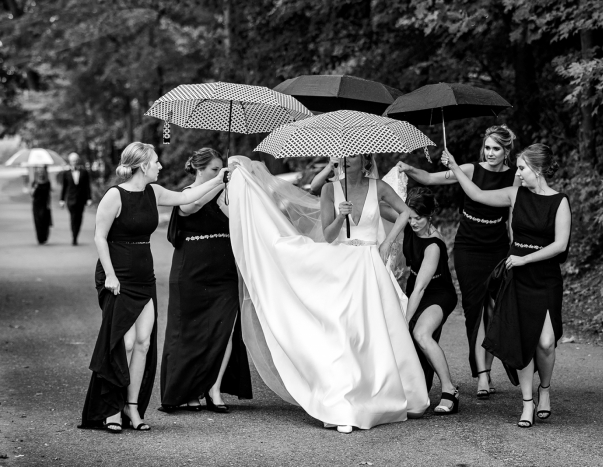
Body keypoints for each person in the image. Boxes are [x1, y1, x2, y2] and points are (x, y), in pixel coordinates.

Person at [226, 154, 429, 435]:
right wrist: (341, 215)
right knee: (345, 333)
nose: (345, 162)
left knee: (379, 331)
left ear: (364, 161)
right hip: (342, 266)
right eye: (342, 159)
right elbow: (330, 235)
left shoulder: (378, 187)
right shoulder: (329, 190)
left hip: (370, 264)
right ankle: (345, 404)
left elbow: (406, 212)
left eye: (352, 158)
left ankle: (399, 393)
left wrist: (387, 242)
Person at [78, 142, 228, 433]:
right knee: (126, 342)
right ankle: (110, 408)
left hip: (144, 276)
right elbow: (100, 237)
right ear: (143, 165)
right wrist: (109, 275)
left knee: (144, 343)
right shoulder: (114, 195)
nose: (161, 166)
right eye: (156, 162)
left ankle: (131, 408)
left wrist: (220, 179)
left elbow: (190, 196)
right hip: (117, 277)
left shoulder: (154, 192)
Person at [441, 143, 571, 428]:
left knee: (547, 342)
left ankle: (544, 389)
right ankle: (527, 403)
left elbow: (560, 245)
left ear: (536, 169)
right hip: (517, 278)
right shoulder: (515, 195)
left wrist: (527, 260)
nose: (518, 173)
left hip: (544, 277)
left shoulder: (560, 202)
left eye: (522, 168)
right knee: (522, 340)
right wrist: (453, 166)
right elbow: (476, 194)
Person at [398, 125, 519, 399]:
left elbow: (512, 214)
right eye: (487, 147)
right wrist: (408, 168)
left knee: (494, 310)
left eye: (496, 149)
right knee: (475, 309)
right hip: (468, 247)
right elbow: (429, 179)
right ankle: (483, 376)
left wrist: (514, 247)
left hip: (497, 247)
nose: (490, 153)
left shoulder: (515, 178)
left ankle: (493, 365)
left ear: (506, 151)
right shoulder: (471, 169)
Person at [160, 148, 252, 413]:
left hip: (223, 270)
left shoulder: (224, 193)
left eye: (220, 169)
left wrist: (229, 192)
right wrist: (218, 182)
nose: (218, 173)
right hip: (191, 271)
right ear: (200, 169)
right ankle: (187, 390)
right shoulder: (187, 192)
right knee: (189, 331)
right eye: (213, 169)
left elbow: (237, 220)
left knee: (224, 328)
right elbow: (191, 206)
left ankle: (214, 388)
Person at [402, 188, 459, 414]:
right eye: (410, 217)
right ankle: (416, 391)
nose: (413, 223)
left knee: (420, 334)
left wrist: (405, 319)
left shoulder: (433, 245)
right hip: (414, 290)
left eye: (419, 218)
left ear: (429, 216)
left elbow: (421, 288)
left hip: (437, 293)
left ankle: (449, 390)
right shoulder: (406, 223)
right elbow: (381, 207)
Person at [60, 152, 92, 245]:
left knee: (79, 218)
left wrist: (89, 198)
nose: (74, 162)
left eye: (76, 160)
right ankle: (74, 236)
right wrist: (62, 200)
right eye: (72, 161)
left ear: (78, 161)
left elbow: (87, 186)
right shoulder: (66, 173)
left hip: (81, 200)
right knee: (73, 217)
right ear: (70, 162)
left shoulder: (84, 172)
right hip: (70, 200)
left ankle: (76, 234)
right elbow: (64, 187)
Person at [30, 166, 52, 245]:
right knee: (38, 222)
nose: (41, 174)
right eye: (39, 172)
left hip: (45, 204)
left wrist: (49, 205)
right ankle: (40, 238)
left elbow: (49, 194)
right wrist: (35, 187)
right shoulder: (34, 182)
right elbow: (31, 194)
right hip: (36, 205)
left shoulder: (47, 182)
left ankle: (45, 237)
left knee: (45, 222)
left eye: (42, 172)